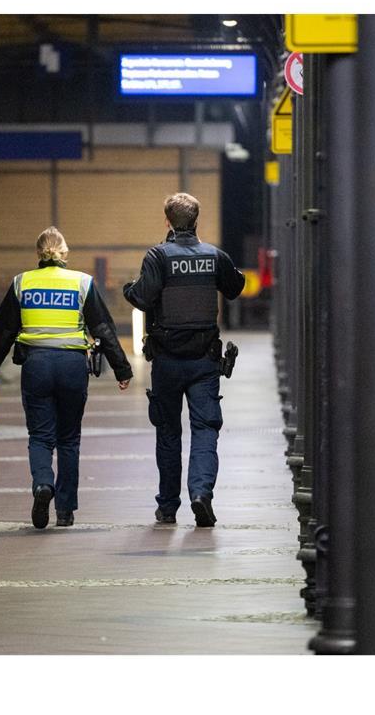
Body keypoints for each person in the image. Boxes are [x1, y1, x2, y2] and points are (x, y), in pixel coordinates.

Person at [0, 227, 133, 529]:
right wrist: (122, 369)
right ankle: (64, 511)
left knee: (40, 436)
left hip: (36, 365)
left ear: (39, 253)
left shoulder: (22, 283)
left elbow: (3, 330)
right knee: (68, 439)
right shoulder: (81, 283)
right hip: (72, 366)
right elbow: (102, 328)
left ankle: (42, 485)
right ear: (64, 253)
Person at [123, 193, 245, 527]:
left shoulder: (158, 257)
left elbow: (142, 298)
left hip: (166, 360)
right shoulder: (214, 256)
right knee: (205, 429)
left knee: (168, 432)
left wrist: (127, 289)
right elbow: (235, 288)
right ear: (196, 220)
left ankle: (167, 507)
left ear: (167, 221)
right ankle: (200, 494)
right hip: (205, 362)